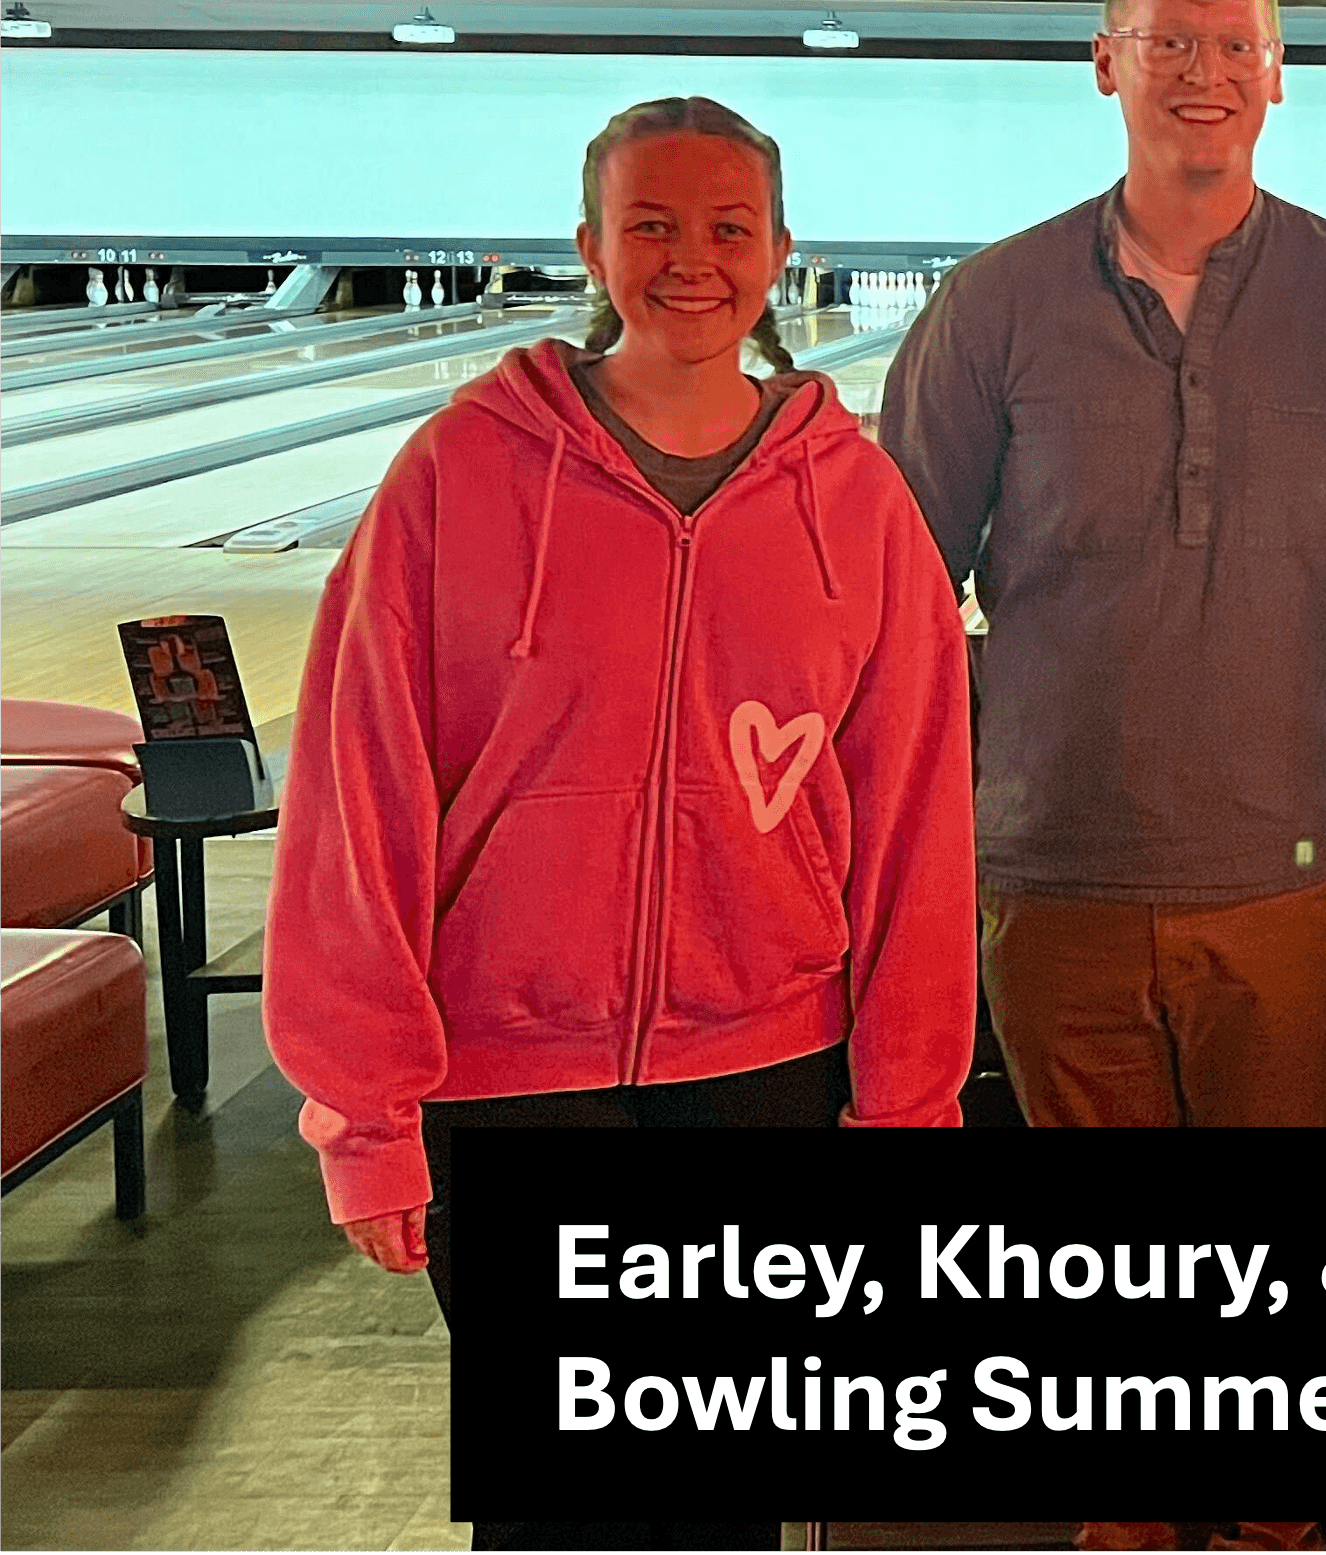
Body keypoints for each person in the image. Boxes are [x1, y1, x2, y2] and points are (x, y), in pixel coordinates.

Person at [264, 96, 977, 1552]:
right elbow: (359, 796)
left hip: (769, 1064)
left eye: (726, 228)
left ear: (782, 253)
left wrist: (907, 1105)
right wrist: (362, 1114)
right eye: (650, 224)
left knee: (724, 1504)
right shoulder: (456, 476)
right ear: (589, 245)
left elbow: (916, 822)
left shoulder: (858, 504)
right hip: (509, 1077)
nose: (688, 259)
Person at [878, 0, 1326, 1131]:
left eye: (1236, 46)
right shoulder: (991, 305)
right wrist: (960, 834)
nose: (1207, 74)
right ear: (1105, 60)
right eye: (1171, 43)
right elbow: (899, 606)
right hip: (1052, 883)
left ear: (1277, 71)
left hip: (1290, 881)